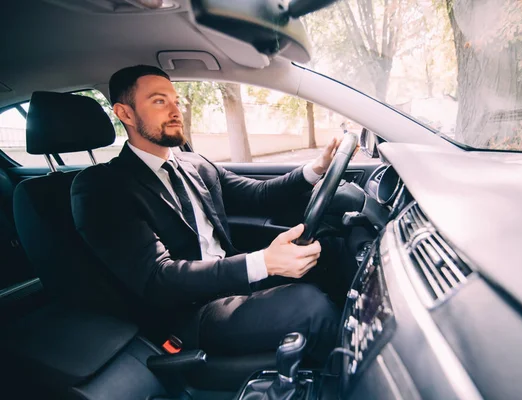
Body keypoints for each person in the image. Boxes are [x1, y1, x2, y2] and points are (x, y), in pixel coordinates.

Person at [71, 65, 345, 363]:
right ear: (125, 114)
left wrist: (317, 167)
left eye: (176, 100)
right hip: (187, 313)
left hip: (229, 281)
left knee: (333, 251)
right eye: (159, 101)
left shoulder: (194, 164)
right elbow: (157, 278)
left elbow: (258, 195)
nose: (175, 110)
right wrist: (263, 262)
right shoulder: (101, 188)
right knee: (310, 307)